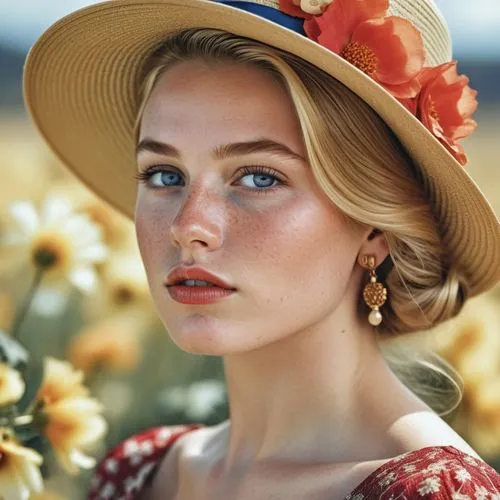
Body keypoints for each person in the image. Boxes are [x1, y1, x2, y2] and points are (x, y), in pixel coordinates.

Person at [23, 0, 500, 498]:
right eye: (164, 175)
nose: (188, 227)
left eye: (258, 177)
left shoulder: (433, 493)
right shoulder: (139, 472)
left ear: (375, 226)